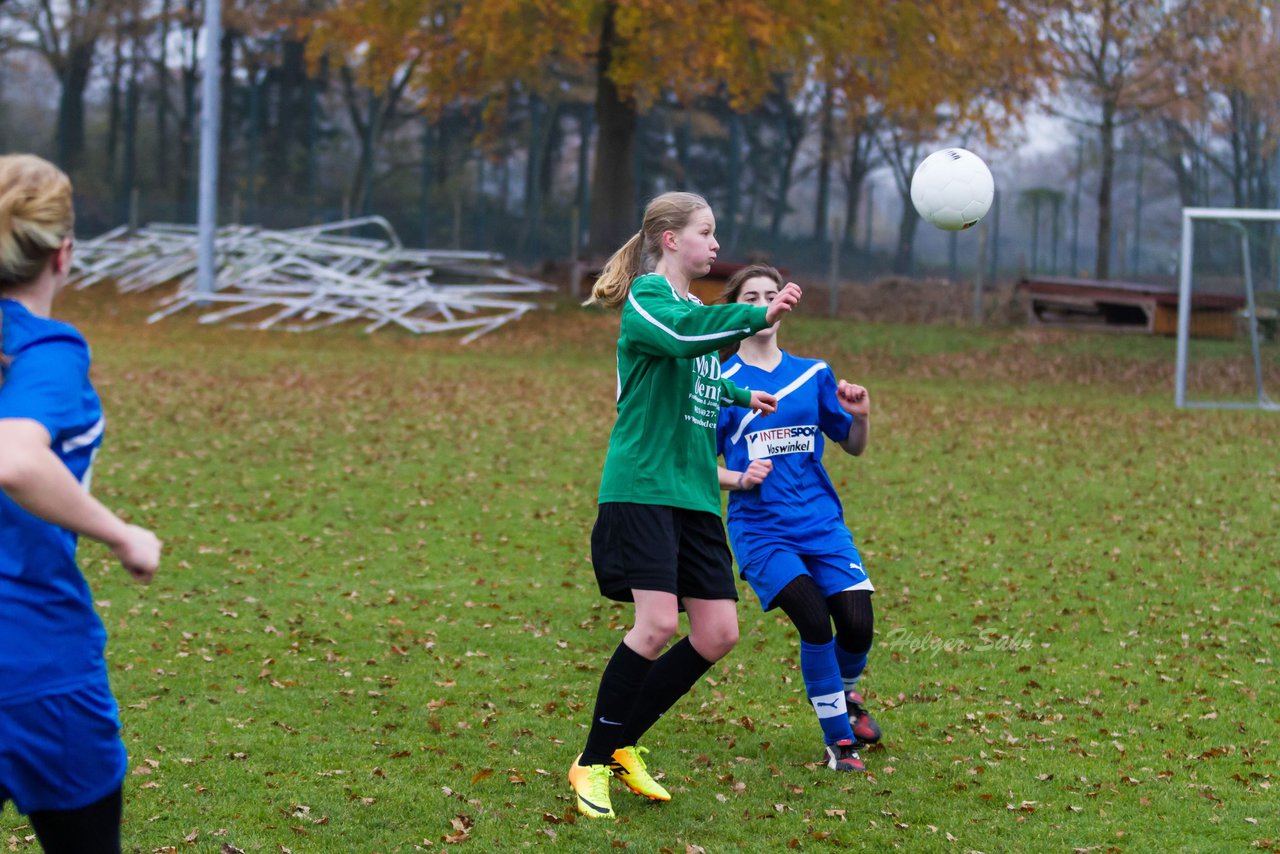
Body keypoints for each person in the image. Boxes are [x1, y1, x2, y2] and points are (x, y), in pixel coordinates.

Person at [568, 192, 803, 819]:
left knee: (719, 632)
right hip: (644, 487)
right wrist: (755, 319)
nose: (716, 243)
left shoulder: (695, 309)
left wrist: (737, 393)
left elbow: (697, 370)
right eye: (707, 232)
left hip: (696, 493)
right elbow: (677, 343)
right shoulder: (650, 298)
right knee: (656, 628)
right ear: (671, 239)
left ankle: (621, 744)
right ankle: (592, 761)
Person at [0, 154, 162, 853]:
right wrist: (122, 535)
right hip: (34, 663)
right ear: (64, 253)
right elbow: (14, 458)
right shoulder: (46, 351)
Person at [714, 264, 881, 774]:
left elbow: (850, 447)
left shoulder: (813, 373)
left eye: (771, 293)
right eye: (752, 295)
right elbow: (691, 463)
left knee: (856, 623)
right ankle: (840, 744)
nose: (765, 302)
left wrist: (861, 416)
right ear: (737, 308)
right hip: (762, 530)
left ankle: (845, 696)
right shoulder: (718, 382)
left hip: (821, 523)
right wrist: (740, 479)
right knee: (814, 621)